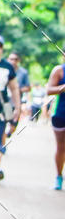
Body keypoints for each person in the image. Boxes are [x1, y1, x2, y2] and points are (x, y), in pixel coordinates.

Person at [0, 35, 20, 183]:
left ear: (2, 48)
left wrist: (17, 107)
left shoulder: (7, 67)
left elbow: (14, 88)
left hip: (0, 108)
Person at [46, 59, 65, 190]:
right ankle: (58, 176)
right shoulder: (59, 71)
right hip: (60, 114)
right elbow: (49, 90)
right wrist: (62, 88)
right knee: (61, 147)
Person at [7, 51, 30, 134]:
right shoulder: (4, 70)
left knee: (13, 126)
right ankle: (1, 142)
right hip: (5, 102)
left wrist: (16, 90)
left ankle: (7, 135)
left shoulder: (23, 72)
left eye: (15, 59)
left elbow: (28, 87)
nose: (13, 61)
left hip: (16, 102)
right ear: (8, 59)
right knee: (1, 124)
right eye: (11, 59)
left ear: (18, 60)